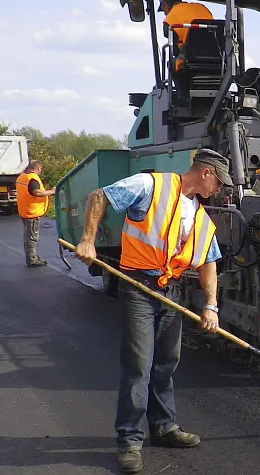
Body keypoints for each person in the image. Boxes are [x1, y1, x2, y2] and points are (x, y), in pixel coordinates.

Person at [73, 149, 232, 474]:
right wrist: (88, 240)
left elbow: (209, 263)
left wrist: (211, 306)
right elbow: (99, 196)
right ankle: (129, 441)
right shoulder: (151, 185)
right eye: (219, 182)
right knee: (138, 368)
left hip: (171, 292)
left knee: (165, 365)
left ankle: (164, 428)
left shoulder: (201, 218)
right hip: (138, 287)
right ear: (206, 173)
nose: (221, 189)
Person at [15, 160, 55, 267]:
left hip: (25, 210)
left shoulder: (22, 177)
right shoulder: (32, 179)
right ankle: (32, 259)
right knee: (32, 237)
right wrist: (52, 192)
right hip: (32, 212)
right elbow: (36, 192)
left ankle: (32, 257)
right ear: (38, 168)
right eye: (40, 169)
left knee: (29, 235)